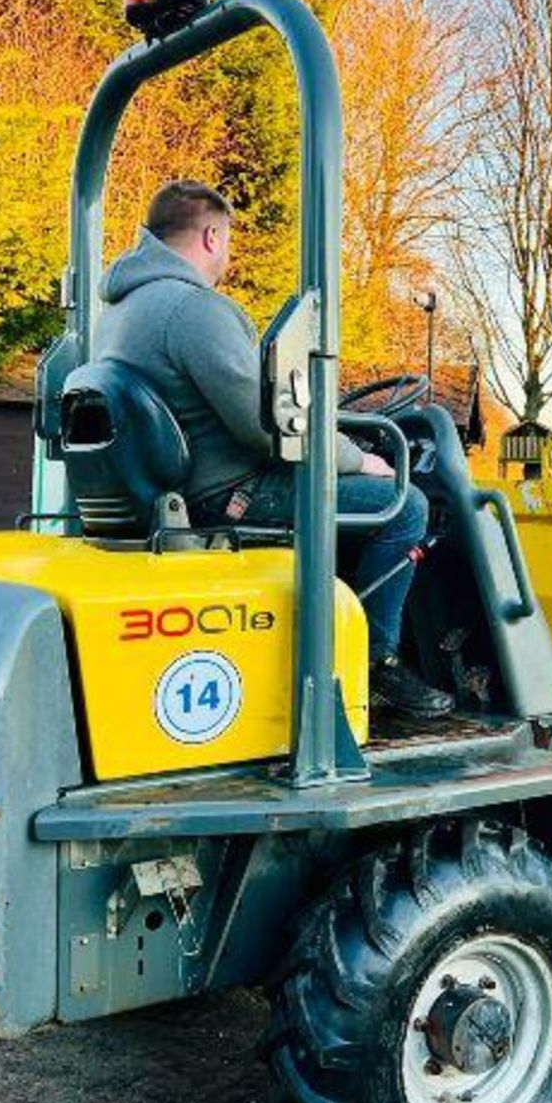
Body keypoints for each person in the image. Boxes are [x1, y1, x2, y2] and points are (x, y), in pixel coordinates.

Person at [96, 180, 453, 719]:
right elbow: (268, 427)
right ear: (212, 236)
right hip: (228, 496)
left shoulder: (118, 314)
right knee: (404, 505)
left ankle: (339, 636)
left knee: (359, 500)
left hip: (173, 493)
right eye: (229, 241)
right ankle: (377, 665)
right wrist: (360, 458)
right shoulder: (194, 311)